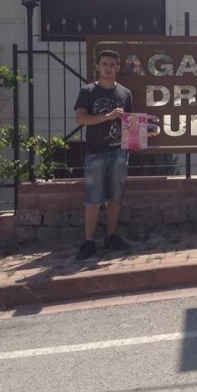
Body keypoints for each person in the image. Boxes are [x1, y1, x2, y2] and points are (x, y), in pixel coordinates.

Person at [73, 49, 133, 260]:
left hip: (119, 153)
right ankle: (88, 241)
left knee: (116, 197)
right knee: (93, 199)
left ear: (118, 67)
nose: (108, 68)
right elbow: (81, 119)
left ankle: (111, 236)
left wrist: (146, 132)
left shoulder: (125, 93)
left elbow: (129, 124)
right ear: (98, 66)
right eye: (104, 64)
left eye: (112, 64)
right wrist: (107, 116)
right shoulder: (88, 91)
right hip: (95, 153)